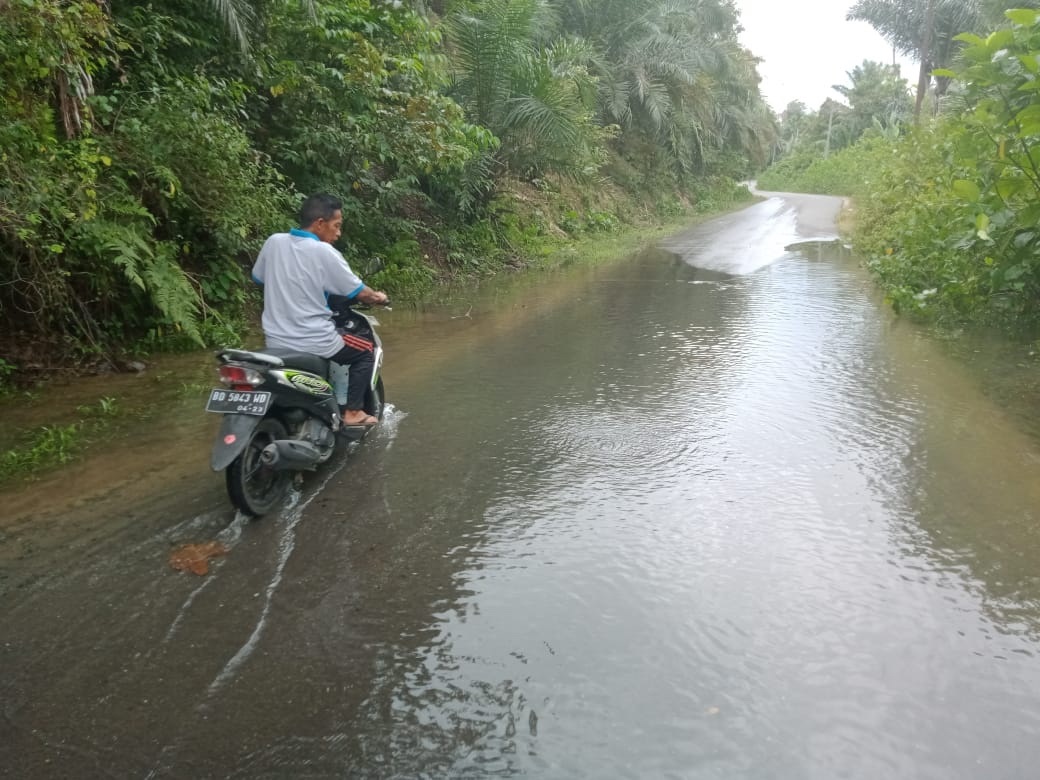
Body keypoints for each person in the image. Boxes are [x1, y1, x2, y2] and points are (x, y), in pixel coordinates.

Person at [251, 193, 389, 427]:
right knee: (365, 351)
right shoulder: (324, 252)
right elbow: (360, 292)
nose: (338, 233)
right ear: (319, 224)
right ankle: (353, 412)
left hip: (275, 341)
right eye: (336, 226)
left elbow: (259, 277)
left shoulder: (274, 241)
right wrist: (379, 297)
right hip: (314, 340)